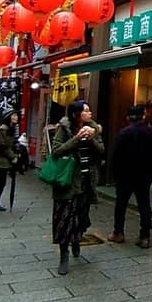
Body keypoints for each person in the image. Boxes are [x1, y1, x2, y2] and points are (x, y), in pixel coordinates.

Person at [50, 100, 104, 275]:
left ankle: (77, 239)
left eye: (89, 110)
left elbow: (101, 150)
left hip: (86, 180)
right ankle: (64, 255)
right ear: (76, 114)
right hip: (67, 181)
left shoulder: (93, 128)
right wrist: (76, 138)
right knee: (64, 218)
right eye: (85, 111)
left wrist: (91, 138)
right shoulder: (64, 128)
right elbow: (56, 151)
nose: (89, 114)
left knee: (81, 216)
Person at [108, 105, 152, 249]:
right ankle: (145, 236)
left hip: (125, 175)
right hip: (144, 176)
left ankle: (118, 233)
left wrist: (115, 174)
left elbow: (116, 156)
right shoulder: (151, 133)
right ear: (143, 116)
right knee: (144, 206)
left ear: (128, 118)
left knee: (121, 204)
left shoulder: (123, 133)